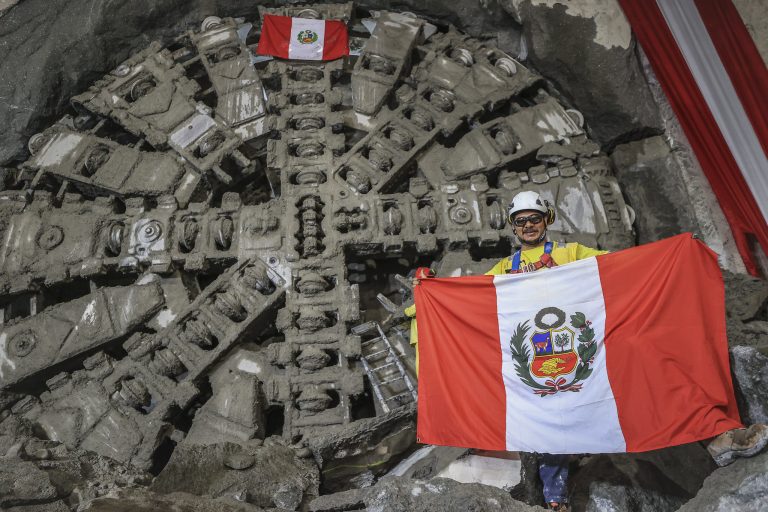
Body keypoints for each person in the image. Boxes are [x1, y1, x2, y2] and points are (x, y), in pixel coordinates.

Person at [409, 190, 768, 512]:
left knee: (656, 374)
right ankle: (555, 498)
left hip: (593, 351)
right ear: (513, 228)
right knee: (544, 421)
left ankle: (718, 438)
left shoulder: (572, 253)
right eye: (521, 222)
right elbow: (471, 299)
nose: (528, 226)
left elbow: (620, 271)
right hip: (537, 368)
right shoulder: (504, 270)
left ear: (546, 219)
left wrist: (673, 252)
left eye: (534, 219)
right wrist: (427, 294)